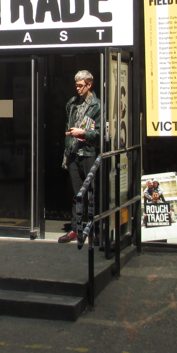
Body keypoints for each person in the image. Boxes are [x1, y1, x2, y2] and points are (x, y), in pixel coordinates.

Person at [58, 70, 101, 249]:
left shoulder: (96, 105)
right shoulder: (72, 103)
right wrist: (67, 153)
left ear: (89, 85)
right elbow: (68, 125)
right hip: (74, 153)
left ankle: (94, 230)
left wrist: (82, 132)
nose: (78, 89)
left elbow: (99, 133)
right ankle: (76, 228)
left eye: (81, 85)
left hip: (89, 154)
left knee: (91, 193)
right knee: (77, 194)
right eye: (76, 85)